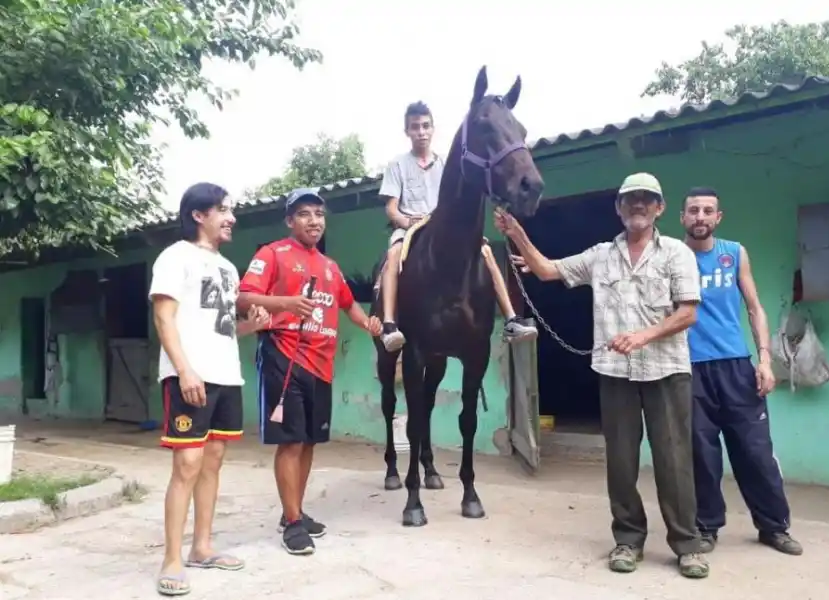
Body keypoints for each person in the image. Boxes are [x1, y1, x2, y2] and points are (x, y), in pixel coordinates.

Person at [494, 173, 710, 579]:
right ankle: (628, 540)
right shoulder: (601, 256)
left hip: (666, 371)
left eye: (646, 199)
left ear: (660, 208)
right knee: (621, 462)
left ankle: (687, 545)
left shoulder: (676, 253)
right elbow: (546, 270)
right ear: (619, 208)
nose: (638, 205)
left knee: (674, 461)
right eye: (630, 199)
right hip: (615, 373)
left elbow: (687, 313)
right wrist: (518, 234)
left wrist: (643, 336)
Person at [237, 188, 383, 556]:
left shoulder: (330, 267)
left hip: (322, 365)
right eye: (304, 214)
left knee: (309, 442)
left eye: (319, 214)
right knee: (291, 442)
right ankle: (292, 523)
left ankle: (295, 512)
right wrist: (286, 303)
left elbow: (348, 305)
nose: (314, 221)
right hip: (284, 358)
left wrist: (369, 324)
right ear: (290, 221)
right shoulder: (272, 254)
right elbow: (244, 297)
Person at [150, 182, 271, 596]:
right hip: (190, 375)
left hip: (226, 375)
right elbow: (164, 319)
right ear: (199, 215)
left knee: (213, 462)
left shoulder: (228, 269)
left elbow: (222, 328)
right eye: (223, 210)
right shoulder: (175, 257)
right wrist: (184, 371)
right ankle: (171, 559)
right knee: (187, 464)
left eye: (230, 210)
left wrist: (251, 326)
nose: (231, 218)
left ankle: (202, 547)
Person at [681, 187, 802, 556]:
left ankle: (774, 527)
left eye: (708, 211)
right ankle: (706, 527)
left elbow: (754, 307)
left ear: (718, 217)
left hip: (736, 366)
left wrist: (764, 359)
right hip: (689, 370)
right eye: (693, 210)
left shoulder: (733, 253)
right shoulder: (672, 256)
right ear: (682, 217)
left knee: (755, 452)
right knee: (701, 455)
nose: (700, 217)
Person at [376, 100, 537, 352]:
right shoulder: (397, 165)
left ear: (433, 129)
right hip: (409, 227)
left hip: (441, 225)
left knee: (485, 252)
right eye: (415, 127)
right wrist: (407, 222)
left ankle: (510, 318)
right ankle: (389, 323)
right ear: (407, 131)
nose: (421, 132)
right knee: (394, 253)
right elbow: (391, 209)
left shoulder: (444, 163)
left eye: (425, 126)